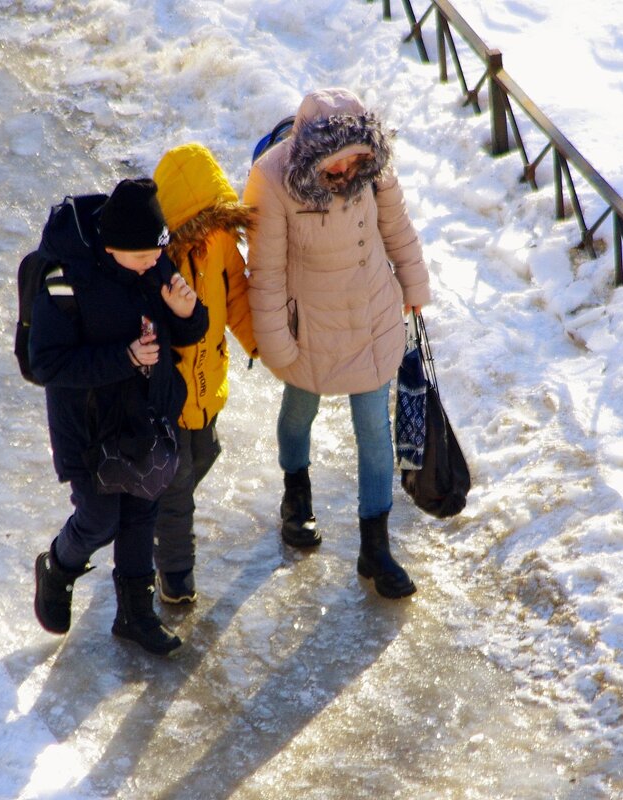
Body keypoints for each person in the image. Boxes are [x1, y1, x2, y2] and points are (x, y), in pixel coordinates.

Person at [243, 87, 430, 598]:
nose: (349, 171)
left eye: (358, 160)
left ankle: (376, 548)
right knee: (300, 409)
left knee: (374, 429)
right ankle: (296, 498)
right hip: (314, 327)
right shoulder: (273, 178)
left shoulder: (371, 167)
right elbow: (267, 271)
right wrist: (279, 345)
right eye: (339, 161)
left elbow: (396, 226)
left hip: (371, 315)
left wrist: (414, 288)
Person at [30, 178, 209, 656]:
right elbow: (47, 363)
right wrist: (125, 358)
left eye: (157, 253)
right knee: (100, 517)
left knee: (141, 513)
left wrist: (188, 314)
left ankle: (136, 614)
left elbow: (188, 329)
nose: (155, 263)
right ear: (112, 247)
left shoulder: (152, 259)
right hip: (88, 425)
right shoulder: (65, 279)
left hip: (146, 413)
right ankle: (57, 566)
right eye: (143, 257)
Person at [151, 143, 258, 603]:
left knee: (204, 456)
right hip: (170, 393)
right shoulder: (158, 264)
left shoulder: (220, 244)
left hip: (208, 382)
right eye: (196, 227)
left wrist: (260, 344)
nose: (205, 234)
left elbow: (236, 299)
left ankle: (147, 514)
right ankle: (176, 575)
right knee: (176, 488)